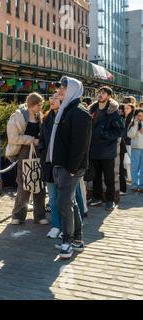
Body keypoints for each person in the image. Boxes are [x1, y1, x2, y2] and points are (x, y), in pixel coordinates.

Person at [49, 76, 92, 259]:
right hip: (62, 165)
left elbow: (80, 145)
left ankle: (68, 241)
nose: (59, 91)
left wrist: (72, 168)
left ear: (72, 90)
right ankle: (77, 240)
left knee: (64, 203)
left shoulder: (79, 113)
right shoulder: (66, 110)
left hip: (69, 167)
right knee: (70, 202)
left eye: (63, 88)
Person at [6, 92, 47, 225]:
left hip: (39, 152)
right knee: (24, 183)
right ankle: (18, 215)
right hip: (24, 151)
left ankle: (40, 215)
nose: (41, 107)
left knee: (39, 183)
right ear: (32, 104)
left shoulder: (39, 116)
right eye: (39, 105)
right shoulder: (17, 117)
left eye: (41, 105)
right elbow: (13, 138)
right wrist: (31, 140)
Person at [89, 87, 125, 211]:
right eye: (99, 92)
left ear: (109, 96)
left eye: (103, 92)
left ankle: (110, 200)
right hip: (93, 149)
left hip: (107, 150)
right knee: (95, 176)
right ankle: (96, 197)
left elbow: (120, 130)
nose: (100, 94)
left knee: (109, 177)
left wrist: (104, 135)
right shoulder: (92, 109)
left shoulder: (113, 111)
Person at [40, 93, 62, 238]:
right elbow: (42, 138)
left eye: (55, 98)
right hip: (48, 164)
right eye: (51, 98)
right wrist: (42, 152)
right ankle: (56, 225)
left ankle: (68, 227)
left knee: (66, 200)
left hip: (64, 165)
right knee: (53, 198)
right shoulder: (46, 118)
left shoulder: (67, 117)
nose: (52, 100)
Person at [120, 102, 135, 189]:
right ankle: (130, 178)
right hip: (125, 142)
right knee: (127, 162)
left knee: (129, 162)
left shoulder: (131, 119)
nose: (125, 110)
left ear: (132, 109)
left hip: (129, 143)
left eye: (128, 108)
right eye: (125, 108)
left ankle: (131, 178)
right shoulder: (125, 118)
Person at [127, 109, 143, 192]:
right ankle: (134, 185)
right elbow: (130, 135)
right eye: (139, 115)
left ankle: (142, 185)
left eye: (142, 115)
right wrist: (136, 125)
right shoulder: (133, 123)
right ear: (136, 116)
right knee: (134, 168)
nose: (141, 117)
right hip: (136, 148)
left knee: (142, 168)